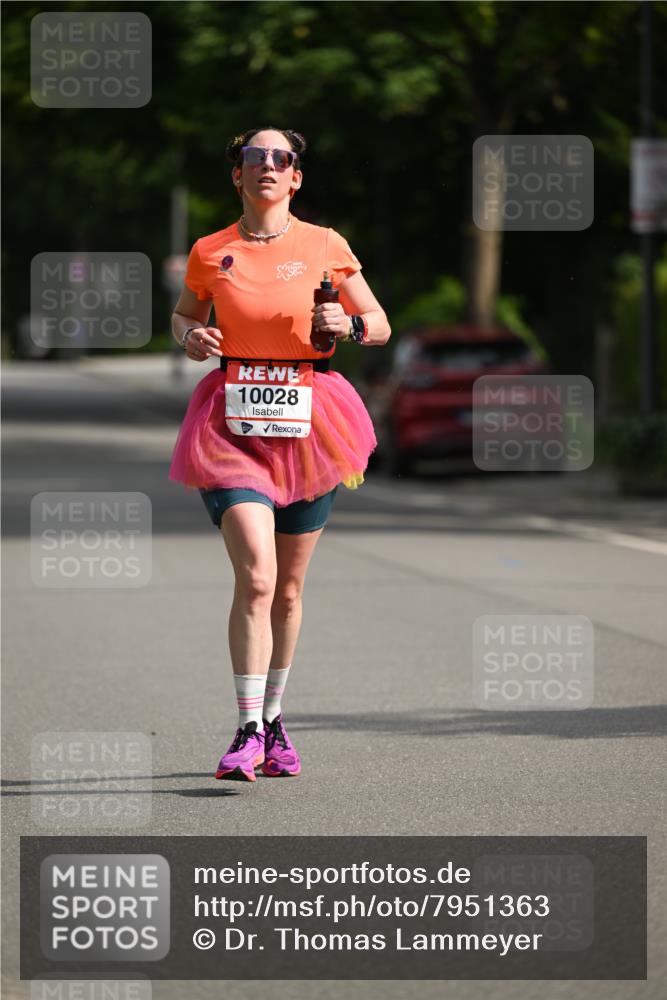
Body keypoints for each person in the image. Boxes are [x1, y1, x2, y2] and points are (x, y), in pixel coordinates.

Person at [169, 126, 391, 781]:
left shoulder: (325, 246)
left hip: (312, 424)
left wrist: (349, 324)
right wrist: (191, 336)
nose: (266, 165)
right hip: (231, 426)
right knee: (259, 579)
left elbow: (379, 324)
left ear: (295, 177)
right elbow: (184, 315)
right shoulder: (211, 250)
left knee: (288, 592)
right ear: (237, 174)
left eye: (280, 158)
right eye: (253, 157)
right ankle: (245, 730)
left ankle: (272, 719)